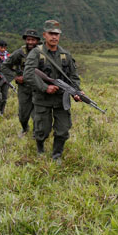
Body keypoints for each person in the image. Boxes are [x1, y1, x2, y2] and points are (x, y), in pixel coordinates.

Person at [23, 20, 82, 162]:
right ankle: (40, 148)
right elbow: (28, 74)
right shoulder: (36, 53)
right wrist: (45, 87)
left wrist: (77, 91)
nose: (54, 37)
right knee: (42, 129)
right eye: (51, 34)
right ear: (44, 35)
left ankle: (57, 155)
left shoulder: (65, 55)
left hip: (61, 99)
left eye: (57, 34)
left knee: (63, 129)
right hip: (42, 99)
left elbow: (73, 76)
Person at [3, 29, 41, 136]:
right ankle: (25, 128)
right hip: (24, 88)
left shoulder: (42, 52)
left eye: (33, 40)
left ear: (37, 41)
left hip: (39, 87)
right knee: (23, 114)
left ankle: (36, 133)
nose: (30, 42)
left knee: (37, 113)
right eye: (28, 39)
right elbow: (4, 66)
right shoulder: (19, 53)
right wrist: (15, 76)